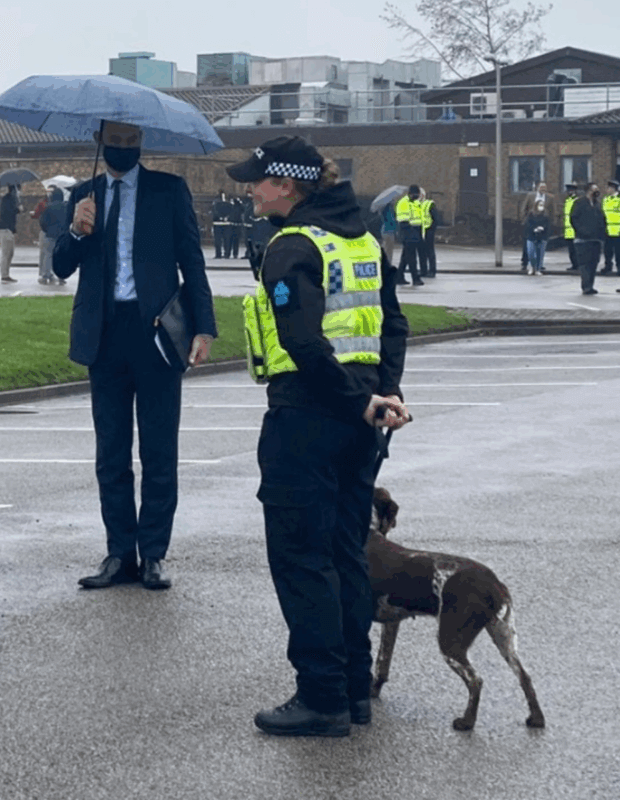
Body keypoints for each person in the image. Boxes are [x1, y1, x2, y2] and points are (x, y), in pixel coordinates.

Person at [226, 136, 410, 737]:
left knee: (302, 560)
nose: (249, 188)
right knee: (345, 554)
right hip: (361, 424)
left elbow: (302, 342)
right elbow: (393, 323)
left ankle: (321, 697)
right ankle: (355, 689)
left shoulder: (292, 246)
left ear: (288, 185)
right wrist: (383, 397)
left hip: (306, 419)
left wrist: (361, 402)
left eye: (258, 180)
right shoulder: (357, 238)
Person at [53, 120, 218, 591]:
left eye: (131, 142)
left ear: (141, 144)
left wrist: (203, 327)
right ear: (99, 143)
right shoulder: (84, 193)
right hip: (104, 334)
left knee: (159, 450)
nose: (123, 149)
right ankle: (119, 553)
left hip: (157, 333)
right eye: (115, 142)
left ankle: (154, 555)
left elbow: (192, 261)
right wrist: (77, 230)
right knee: (111, 453)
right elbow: (62, 266)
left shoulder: (169, 190)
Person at [571, 181, 604, 295]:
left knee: (593, 264)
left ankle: (591, 285)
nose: (597, 192)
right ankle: (586, 287)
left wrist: (601, 232)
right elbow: (574, 219)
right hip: (582, 240)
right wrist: (581, 231)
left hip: (595, 239)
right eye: (595, 189)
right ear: (589, 191)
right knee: (585, 264)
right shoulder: (579, 203)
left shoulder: (597, 204)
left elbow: (601, 219)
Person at [519, 181, 553, 272]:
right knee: (528, 246)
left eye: (544, 187)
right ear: (538, 188)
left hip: (543, 223)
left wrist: (550, 223)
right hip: (531, 223)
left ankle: (539, 265)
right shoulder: (531, 196)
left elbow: (552, 210)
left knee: (540, 246)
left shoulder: (549, 198)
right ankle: (525, 263)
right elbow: (524, 207)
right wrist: (524, 220)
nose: (543, 189)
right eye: (541, 187)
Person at [395, 185, 424, 286]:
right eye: (414, 194)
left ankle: (399, 277)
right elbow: (403, 221)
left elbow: (419, 219)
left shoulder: (416, 202)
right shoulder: (403, 203)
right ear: (410, 193)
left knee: (405, 257)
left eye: (417, 194)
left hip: (415, 231)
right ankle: (415, 278)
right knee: (411, 257)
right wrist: (411, 233)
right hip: (407, 231)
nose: (416, 196)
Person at [38, 186, 68, 285]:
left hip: (50, 234)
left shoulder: (48, 207)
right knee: (62, 257)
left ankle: (46, 275)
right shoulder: (66, 207)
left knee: (48, 255)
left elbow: (42, 221)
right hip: (63, 235)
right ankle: (61, 277)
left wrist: (46, 230)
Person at [0, 184, 22, 283]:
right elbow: (9, 212)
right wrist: (18, 209)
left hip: (9, 229)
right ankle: (4, 275)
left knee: (10, 253)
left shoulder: (11, 199)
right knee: (6, 253)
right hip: (5, 228)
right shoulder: (8, 199)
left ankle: (6, 274)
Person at [524, 200, 550, 275]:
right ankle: (532, 267)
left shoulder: (545, 215)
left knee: (540, 254)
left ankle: (538, 269)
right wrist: (533, 229)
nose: (541, 207)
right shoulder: (531, 214)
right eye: (539, 205)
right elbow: (528, 224)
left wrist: (542, 229)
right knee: (531, 252)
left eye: (542, 205)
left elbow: (548, 225)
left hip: (542, 237)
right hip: (531, 236)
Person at [600, 179, 620, 274]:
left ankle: (619, 268)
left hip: (618, 230)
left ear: (613, 188)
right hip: (607, 229)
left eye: (608, 188)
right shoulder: (605, 199)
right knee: (607, 251)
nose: (607, 189)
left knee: (618, 252)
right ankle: (608, 266)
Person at [419, 188, 438, 277]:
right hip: (421, 230)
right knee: (422, 252)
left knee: (430, 251)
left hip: (428, 230)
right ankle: (424, 270)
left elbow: (436, 218)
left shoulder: (429, 204)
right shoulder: (418, 205)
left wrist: (431, 228)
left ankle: (432, 270)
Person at [211, 190, 233, 258]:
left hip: (224, 223)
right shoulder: (217, 202)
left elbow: (232, 211)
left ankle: (224, 254)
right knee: (220, 240)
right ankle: (220, 254)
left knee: (225, 240)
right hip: (219, 223)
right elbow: (215, 211)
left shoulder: (228, 202)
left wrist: (225, 217)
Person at [563, 184, 579, 271]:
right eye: (568, 190)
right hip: (568, 230)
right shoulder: (567, 200)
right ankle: (574, 265)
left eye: (571, 190)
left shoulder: (577, 200)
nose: (569, 192)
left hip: (575, 230)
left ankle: (577, 265)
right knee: (571, 251)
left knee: (576, 250)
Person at [379, 199, 397, 265]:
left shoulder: (384, 209)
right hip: (389, 231)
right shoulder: (388, 210)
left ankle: (384, 262)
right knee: (389, 249)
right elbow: (391, 221)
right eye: (393, 200)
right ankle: (387, 264)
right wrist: (396, 229)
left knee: (386, 248)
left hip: (385, 230)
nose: (394, 202)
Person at [230, 194, 245, 259]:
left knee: (236, 241)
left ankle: (235, 254)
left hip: (237, 225)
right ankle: (227, 253)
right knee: (230, 240)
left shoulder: (240, 206)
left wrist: (240, 203)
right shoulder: (231, 206)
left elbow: (243, 209)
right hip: (232, 225)